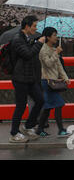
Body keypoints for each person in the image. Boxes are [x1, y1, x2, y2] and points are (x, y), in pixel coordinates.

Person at [9, 15, 46, 143]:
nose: (36, 29)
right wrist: (39, 43)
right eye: (34, 26)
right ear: (27, 26)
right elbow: (28, 54)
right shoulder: (18, 39)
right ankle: (14, 133)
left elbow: (29, 51)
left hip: (29, 77)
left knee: (40, 100)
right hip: (20, 78)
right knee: (20, 106)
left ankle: (28, 126)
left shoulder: (26, 38)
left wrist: (35, 42)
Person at [36, 27, 71, 137]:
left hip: (53, 81)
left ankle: (39, 129)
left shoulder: (53, 49)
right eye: (54, 35)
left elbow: (58, 66)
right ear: (48, 37)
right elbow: (48, 64)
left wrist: (65, 77)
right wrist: (56, 53)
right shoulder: (43, 49)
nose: (56, 37)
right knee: (59, 104)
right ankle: (61, 130)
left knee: (48, 107)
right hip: (46, 81)